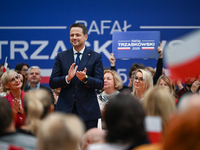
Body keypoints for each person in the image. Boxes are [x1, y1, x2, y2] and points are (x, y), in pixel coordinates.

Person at [49, 23, 104, 130]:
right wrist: (67, 78)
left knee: (87, 144)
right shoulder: (61, 56)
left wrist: (85, 78)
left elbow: (100, 83)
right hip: (65, 110)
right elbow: (53, 82)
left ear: (86, 37)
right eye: (72, 35)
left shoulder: (95, 57)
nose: (74, 37)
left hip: (88, 110)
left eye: (77, 35)